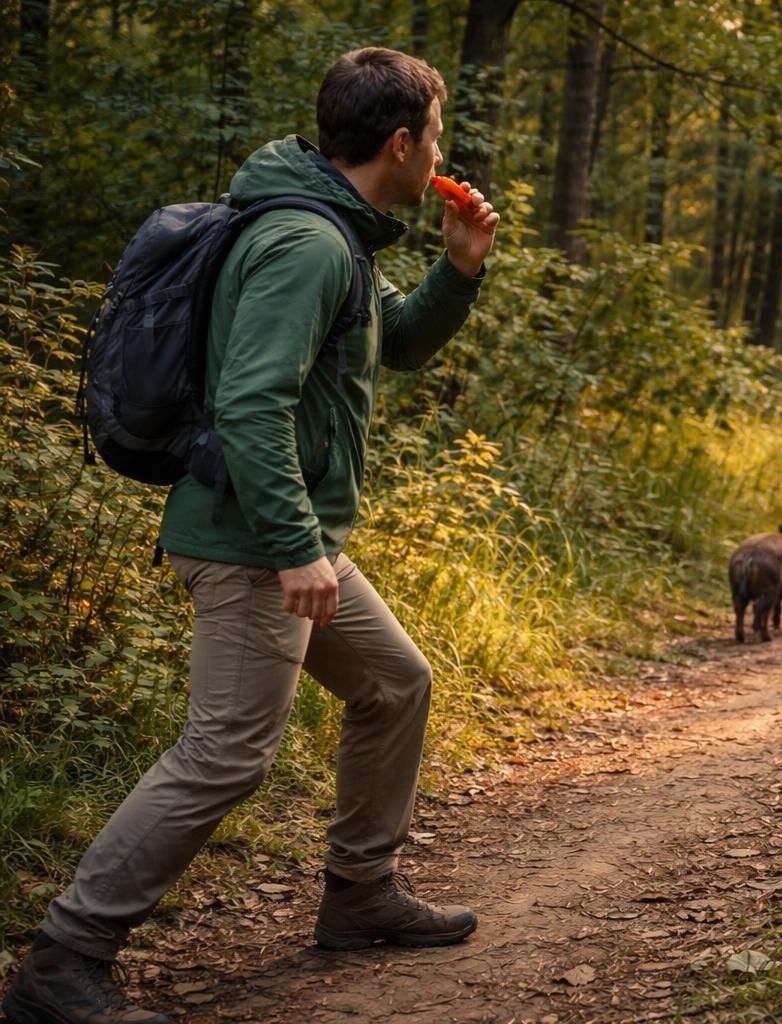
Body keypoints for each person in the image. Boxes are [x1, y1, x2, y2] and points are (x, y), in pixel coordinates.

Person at [2, 47, 498, 1024]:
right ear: (402, 144)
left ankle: (360, 893)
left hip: (278, 528)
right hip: (250, 538)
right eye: (435, 135)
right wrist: (296, 546)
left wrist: (458, 270)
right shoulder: (306, 244)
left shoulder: (335, 235)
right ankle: (64, 959)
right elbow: (253, 404)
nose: (440, 150)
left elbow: (390, 341)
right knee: (227, 748)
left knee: (395, 682)